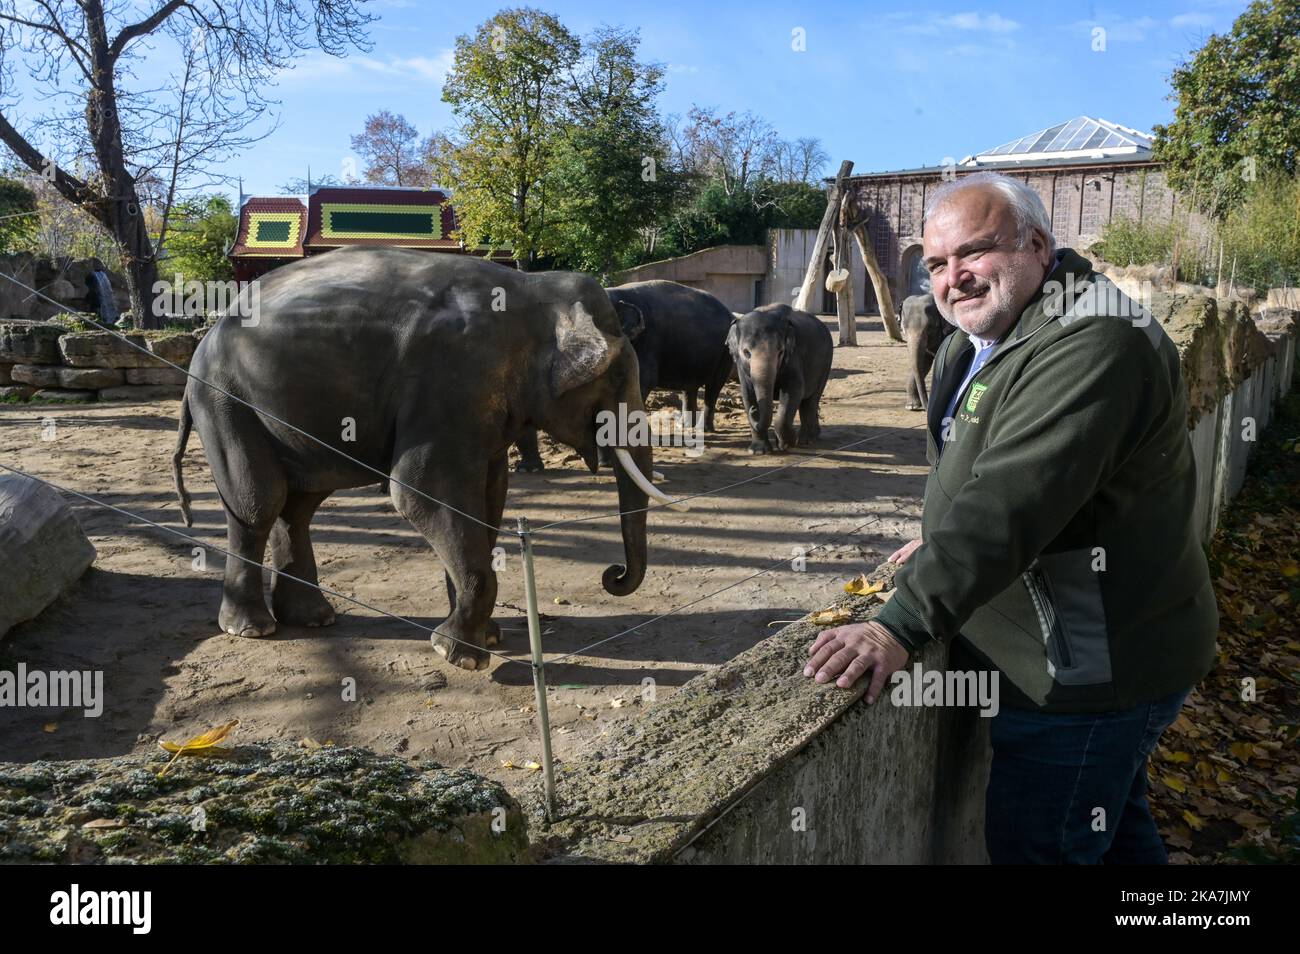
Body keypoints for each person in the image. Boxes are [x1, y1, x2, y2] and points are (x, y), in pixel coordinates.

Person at [802, 171, 1218, 864]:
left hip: (1087, 674)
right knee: (1111, 833)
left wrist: (898, 624)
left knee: (1041, 847)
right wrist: (938, 541)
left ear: (1036, 244)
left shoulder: (1095, 341)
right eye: (936, 263)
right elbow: (984, 467)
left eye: (975, 252)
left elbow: (1009, 502)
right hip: (1082, 646)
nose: (953, 277)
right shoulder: (992, 329)